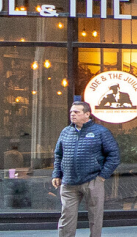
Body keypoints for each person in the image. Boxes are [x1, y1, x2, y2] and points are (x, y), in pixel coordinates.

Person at [50, 101, 119, 237]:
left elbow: (114, 155)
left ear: (87, 114)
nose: (73, 114)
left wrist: (102, 176)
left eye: (77, 112)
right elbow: (58, 154)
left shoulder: (100, 132)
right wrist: (56, 174)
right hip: (69, 182)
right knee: (66, 218)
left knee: (95, 218)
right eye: (71, 112)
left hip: (92, 180)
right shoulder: (66, 131)